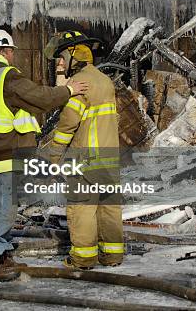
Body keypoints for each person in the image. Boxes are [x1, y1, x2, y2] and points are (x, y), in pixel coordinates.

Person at [0, 29, 89, 282]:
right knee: (3, 208)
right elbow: (38, 97)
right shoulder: (3, 75)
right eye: (10, 52)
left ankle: (3, 255)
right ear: (3, 51)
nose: (12, 57)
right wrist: (68, 90)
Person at [45, 31, 123, 270]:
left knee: (83, 208)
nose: (60, 63)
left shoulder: (79, 84)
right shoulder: (105, 80)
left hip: (86, 157)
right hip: (109, 155)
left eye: (62, 58)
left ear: (72, 56)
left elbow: (67, 126)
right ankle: (112, 256)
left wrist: (53, 156)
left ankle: (83, 258)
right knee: (108, 207)